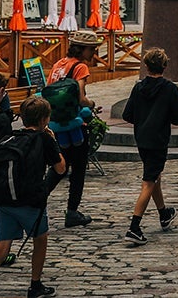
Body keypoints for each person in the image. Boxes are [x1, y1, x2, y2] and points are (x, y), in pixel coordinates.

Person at [0, 96, 63, 298]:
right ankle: (35, 285)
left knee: (1, 246)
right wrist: (54, 142)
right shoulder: (44, 139)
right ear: (44, 120)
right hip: (30, 203)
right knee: (40, 240)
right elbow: (60, 168)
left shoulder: (9, 138)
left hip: (4, 202)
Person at [120, 47, 178, 245]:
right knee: (149, 181)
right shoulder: (169, 89)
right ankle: (134, 226)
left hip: (141, 138)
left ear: (146, 66)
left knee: (154, 175)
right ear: (165, 66)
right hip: (158, 139)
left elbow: (127, 114)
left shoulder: (138, 88)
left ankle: (164, 213)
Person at [46, 29, 101, 227]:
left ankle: (38, 201)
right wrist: (92, 104)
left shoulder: (58, 65)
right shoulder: (80, 67)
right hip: (75, 123)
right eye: (92, 49)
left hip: (56, 123)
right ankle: (72, 211)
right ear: (83, 49)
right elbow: (80, 97)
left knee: (59, 165)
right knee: (77, 169)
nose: (93, 53)